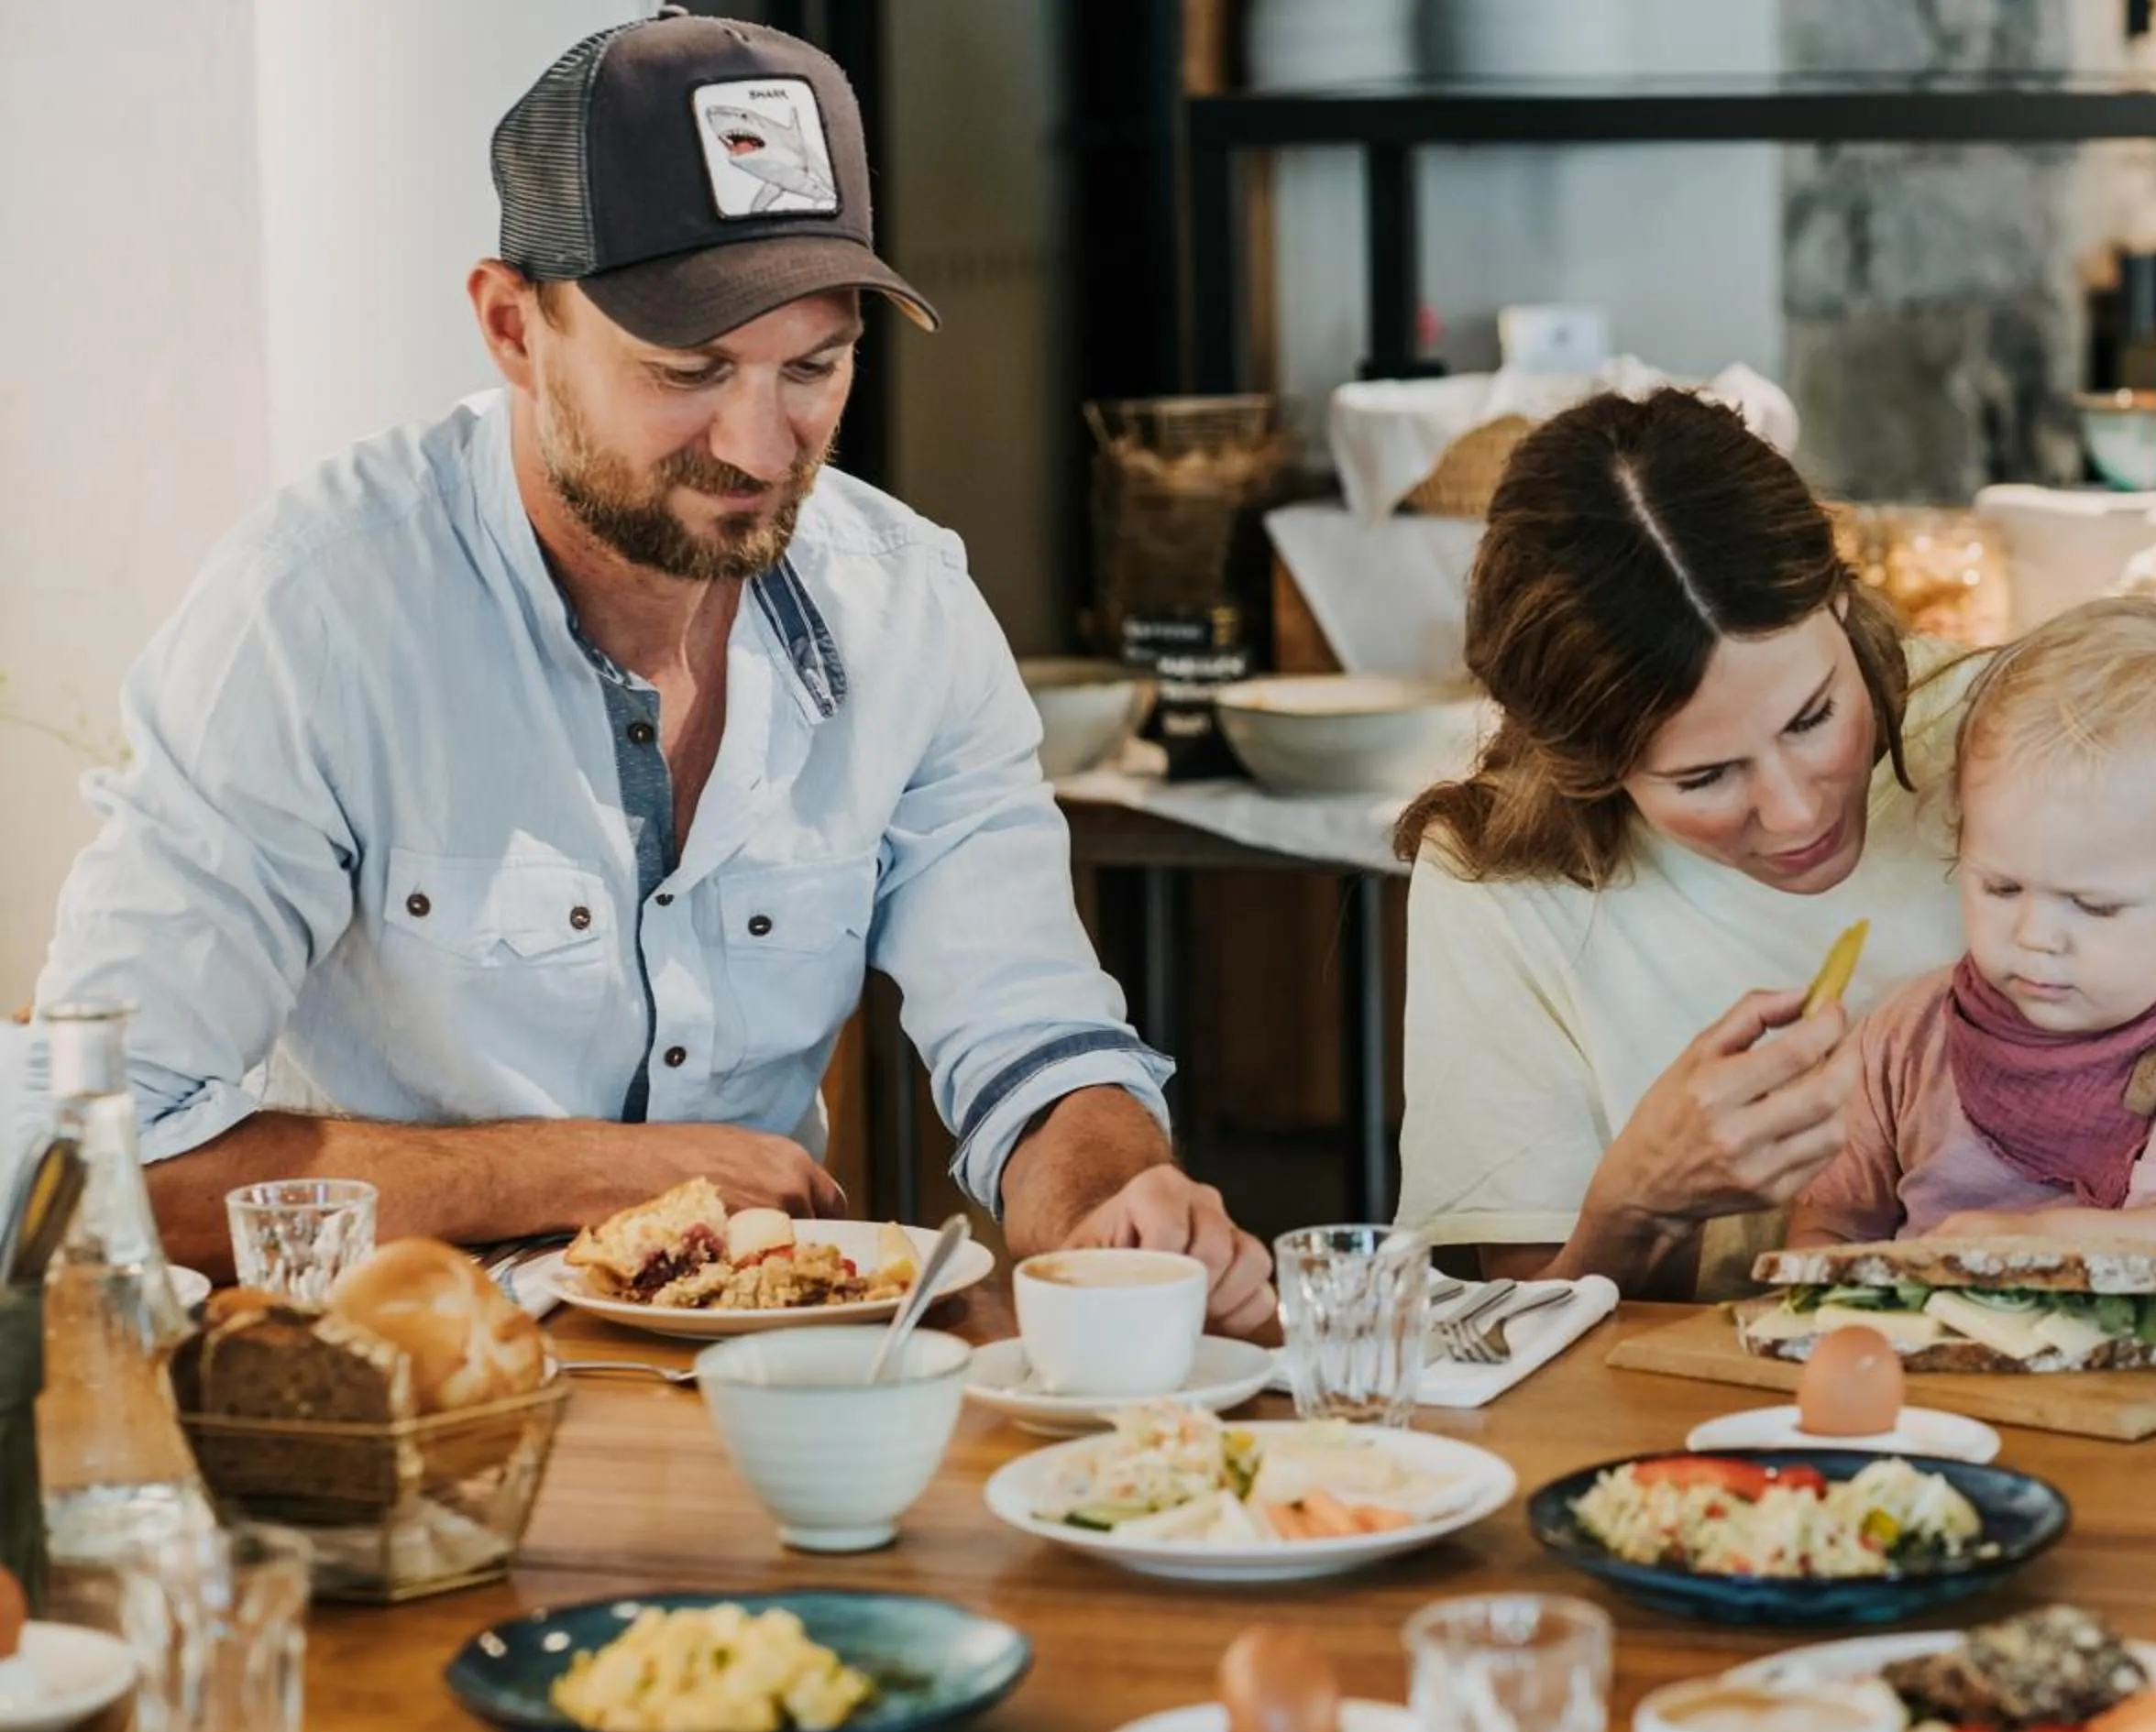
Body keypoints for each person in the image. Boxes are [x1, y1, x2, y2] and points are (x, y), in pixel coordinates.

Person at [30, 13, 1273, 1336]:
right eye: (688, 370)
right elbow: (93, 1155)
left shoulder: (906, 607)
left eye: (815, 367)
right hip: (399, 1399)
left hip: (779, 1387)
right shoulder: (313, 616)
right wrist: (586, 1172)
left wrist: (1112, 1190)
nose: (759, 444)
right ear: (514, 327)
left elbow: (1028, 1037)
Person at [1392, 387, 1973, 1299]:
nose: (1792, 811)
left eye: (1815, 715)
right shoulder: (1498, 878)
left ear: (1839, 595)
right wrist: (1638, 1203)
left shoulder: (2007, 745)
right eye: (1706, 778)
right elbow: (1536, 1342)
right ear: (1590, 768)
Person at [1781, 599, 2156, 1333]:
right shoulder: (1905, 1039)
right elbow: (1831, 1228)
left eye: (2095, 907)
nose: (2036, 936)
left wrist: (2035, 1246)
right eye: (2001, 887)